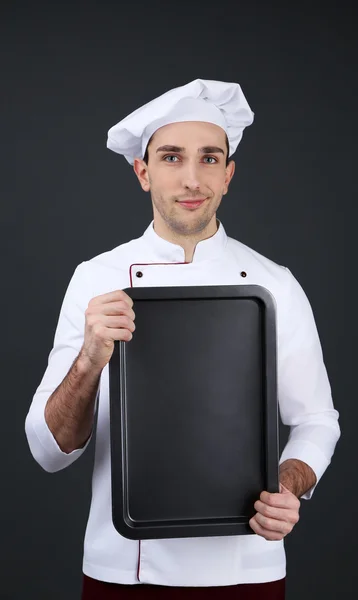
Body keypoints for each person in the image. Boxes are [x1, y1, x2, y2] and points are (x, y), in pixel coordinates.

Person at [25, 79, 341, 599]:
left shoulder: (274, 283)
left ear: (229, 174)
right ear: (143, 172)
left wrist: (289, 484)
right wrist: (88, 362)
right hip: (125, 571)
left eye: (210, 158)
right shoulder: (95, 279)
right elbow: (47, 451)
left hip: (247, 569)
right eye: (172, 157)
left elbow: (316, 420)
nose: (192, 179)